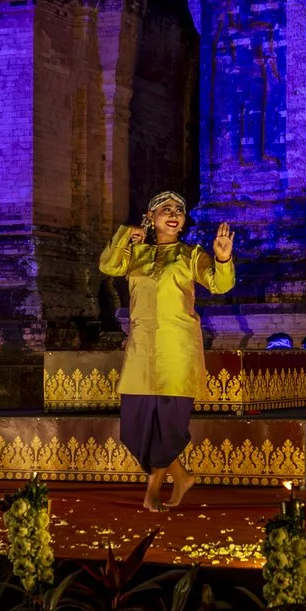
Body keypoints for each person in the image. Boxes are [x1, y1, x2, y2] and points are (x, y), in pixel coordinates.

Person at [98, 191, 235, 511]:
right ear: (151, 215)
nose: (173, 214)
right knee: (133, 430)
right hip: (142, 350)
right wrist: (124, 235)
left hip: (178, 350)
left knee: (169, 428)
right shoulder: (137, 254)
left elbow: (219, 284)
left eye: (179, 210)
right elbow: (108, 265)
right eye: (165, 209)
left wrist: (223, 257)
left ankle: (153, 491)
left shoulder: (191, 255)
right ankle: (181, 476)